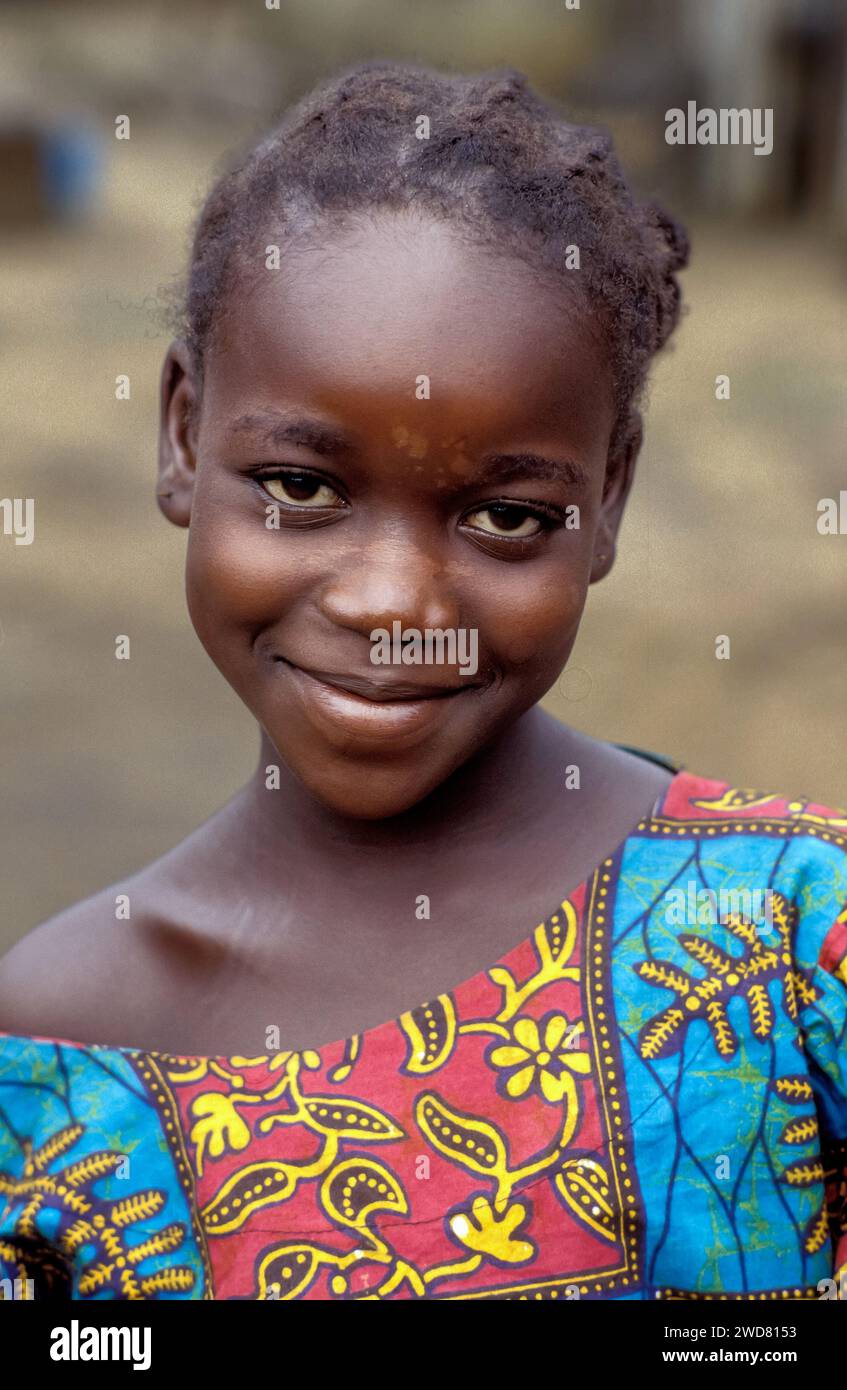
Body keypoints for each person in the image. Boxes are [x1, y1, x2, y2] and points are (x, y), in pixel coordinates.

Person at [0, 60, 844, 1302]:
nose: (393, 603)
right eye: (300, 488)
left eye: (505, 515)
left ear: (606, 497)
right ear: (183, 435)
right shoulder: (57, 1040)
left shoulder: (789, 937)